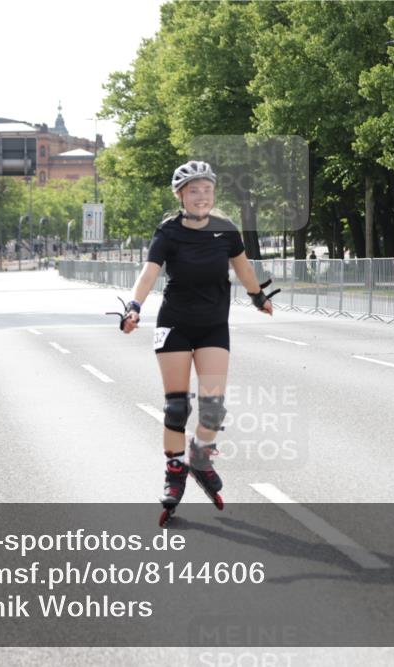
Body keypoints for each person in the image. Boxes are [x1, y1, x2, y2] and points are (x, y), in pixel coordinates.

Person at [113, 160, 279, 526]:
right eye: (193, 191)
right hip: (174, 325)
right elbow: (149, 273)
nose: (201, 196)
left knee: (213, 408)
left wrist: (257, 296)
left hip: (213, 326)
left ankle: (200, 456)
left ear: (213, 193)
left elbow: (243, 267)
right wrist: (134, 306)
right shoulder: (168, 232)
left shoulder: (226, 230)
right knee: (176, 408)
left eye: (206, 190)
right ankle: (175, 474)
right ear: (180, 196)